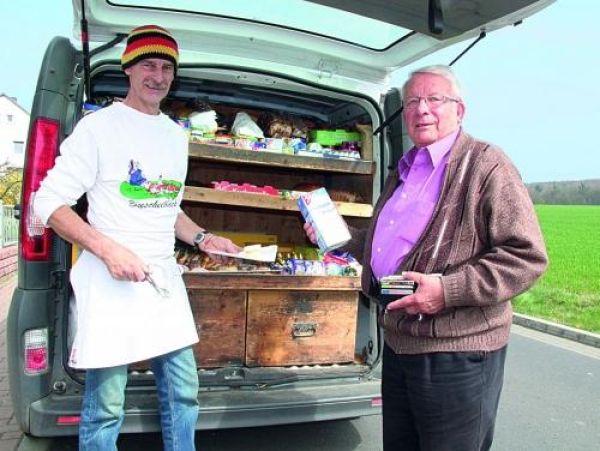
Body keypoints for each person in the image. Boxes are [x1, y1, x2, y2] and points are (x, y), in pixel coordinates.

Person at [303, 65, 548, 451]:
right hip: (401, 342)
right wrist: (340, 238)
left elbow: (526, 256)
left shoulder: (487, 165)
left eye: (435, 99)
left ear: (459, 110)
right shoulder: (405, 170)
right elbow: (389, 248)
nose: (422, 109)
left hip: (457, 351)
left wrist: (446, 291)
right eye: (414, 101)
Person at [33, 25, 241, 450]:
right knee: (107, 404)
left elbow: (168, 207)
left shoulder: (175, 135)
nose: (158, 76)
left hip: (162, 278)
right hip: (111, 281)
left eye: (167, 67)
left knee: (184, 391)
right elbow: (47, 203)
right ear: (129, 69)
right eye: (149, 64)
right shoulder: (98, 128)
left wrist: (203, 238)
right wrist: (108, 249)